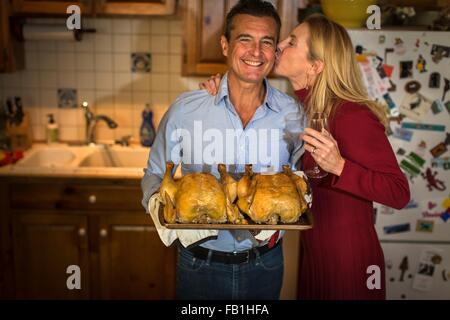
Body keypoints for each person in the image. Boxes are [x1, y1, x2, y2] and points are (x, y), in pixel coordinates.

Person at [200, 14, 410, 300]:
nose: (279, 45)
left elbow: (398, 192)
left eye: (291, 42)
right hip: (314, 252)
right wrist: (220, 88)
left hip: (348, 262)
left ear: (315, 65)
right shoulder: (300, 109)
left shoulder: (352, 115)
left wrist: (339, 166)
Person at [141, 0, 305, 300]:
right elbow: (154, 171)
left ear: (274, 51)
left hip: (265, 264)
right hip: (199, 263)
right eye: (245, 40)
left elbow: (302, 182)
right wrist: (162, 208)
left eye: (266, 42)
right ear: (225, 45)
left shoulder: (292, 114)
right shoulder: (187, 110)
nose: (256, 52)